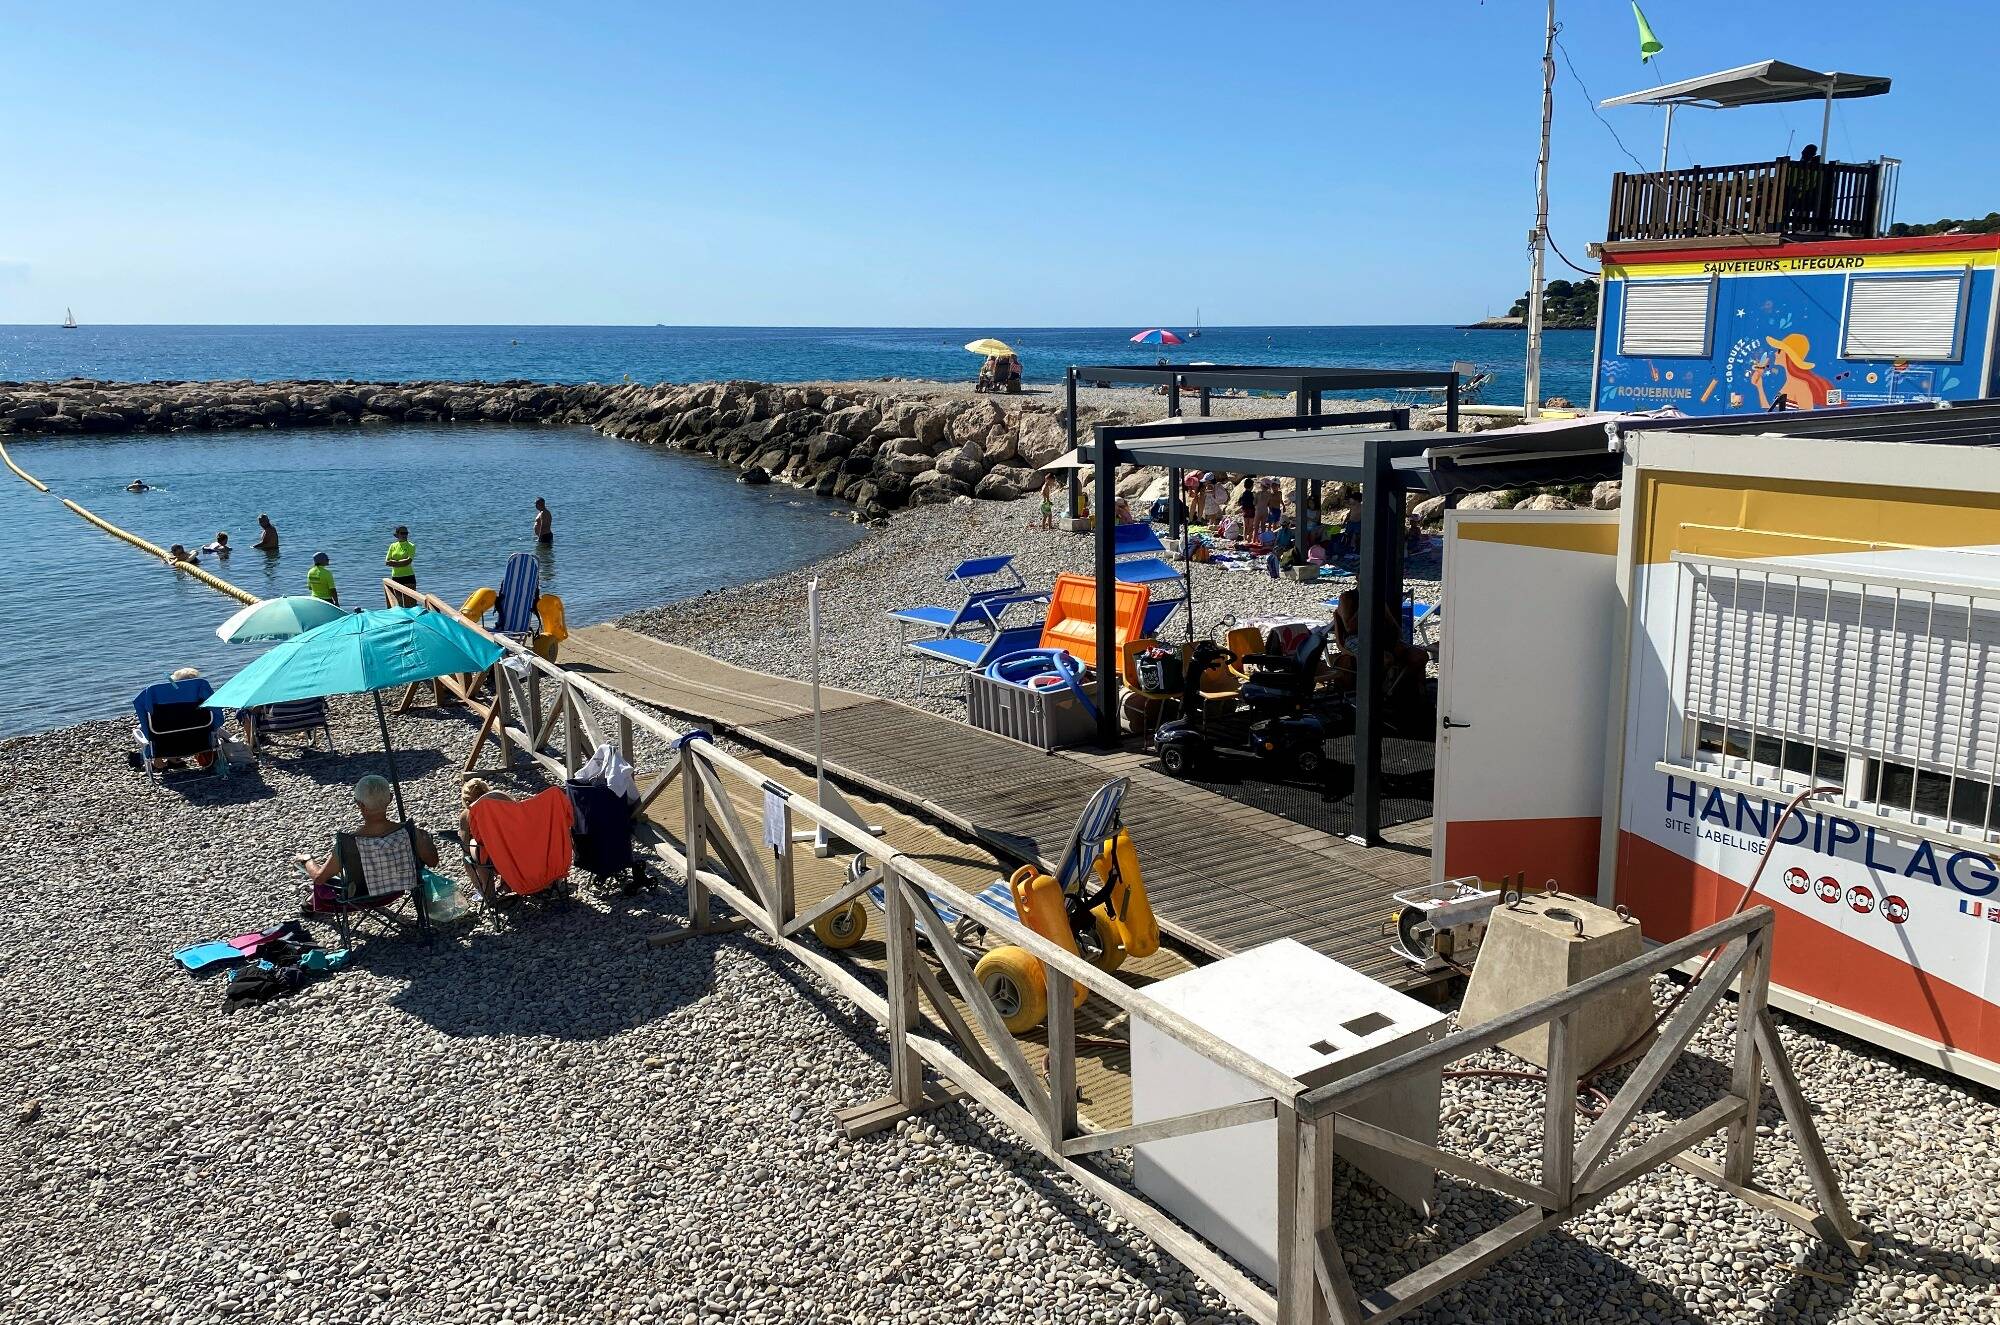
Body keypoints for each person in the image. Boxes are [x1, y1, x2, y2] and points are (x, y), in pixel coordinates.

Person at [296, 774, 439, 913]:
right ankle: (310, 900)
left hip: (360, 897)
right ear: (390, 799)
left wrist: (307, 860)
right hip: (398, 890)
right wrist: (426, 841)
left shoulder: (349, 843)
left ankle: (310, 902)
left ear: (359, 804)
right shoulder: (411, 833)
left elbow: (320, 878)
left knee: (327, 882)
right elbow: (433, 862)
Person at [1330, 588, 1429, 691]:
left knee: (1420, 656)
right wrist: (1365, 602)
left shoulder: (1378, 596)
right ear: (1357, 578)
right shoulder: (1348, 597)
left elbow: (1395, 627)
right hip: (1356, 637)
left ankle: (1401, 689)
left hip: (1382, 637)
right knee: (1384, 659)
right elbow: (1349, 628)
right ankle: (1376, 693)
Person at [458, 778, 516, 904]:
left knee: (474, 852)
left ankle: (485, 891)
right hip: (518, 852)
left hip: (492, 859)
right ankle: (506, 884)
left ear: (467, 801)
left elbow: (465, 846)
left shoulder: (467, 815)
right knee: (503, 843)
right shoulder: (504, 799)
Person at [385, 525, 416, 590]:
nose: (405, 535)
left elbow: (408, 561)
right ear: (396, 535)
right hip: (395, 577)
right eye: (402, 533)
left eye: (406, 533)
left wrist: (394, 562)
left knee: (410, 600)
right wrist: (401, 562)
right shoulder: (393, 546)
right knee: (397, 600)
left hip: (408, 576)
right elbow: (387, 562)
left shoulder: (411, 546)